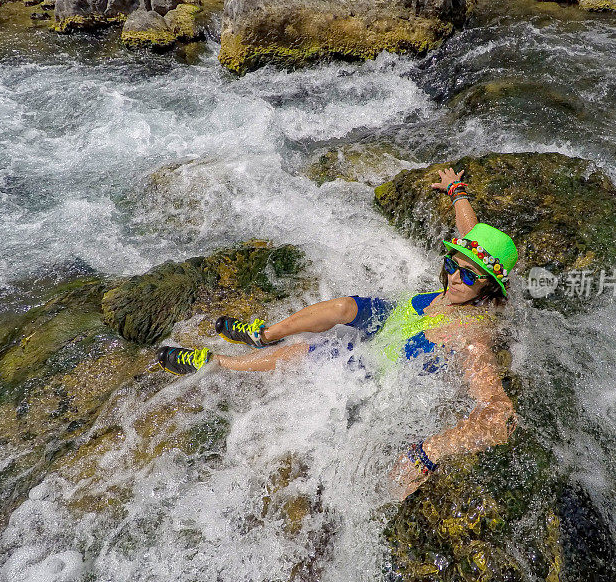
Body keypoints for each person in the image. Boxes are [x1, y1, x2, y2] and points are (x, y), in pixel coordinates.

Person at [156, 167, 519, 499]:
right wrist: (457, 192)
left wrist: (431, 451)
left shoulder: (472, 336)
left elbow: (500, 418)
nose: (456, 278)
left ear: (490, 288)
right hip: (405, 313)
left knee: (317, 353)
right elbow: (471, 234)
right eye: (452, 266)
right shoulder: (471, 272)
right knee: (344, 307)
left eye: (470, 276)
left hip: (396, 358)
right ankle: (264, 334)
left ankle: (219, 364)